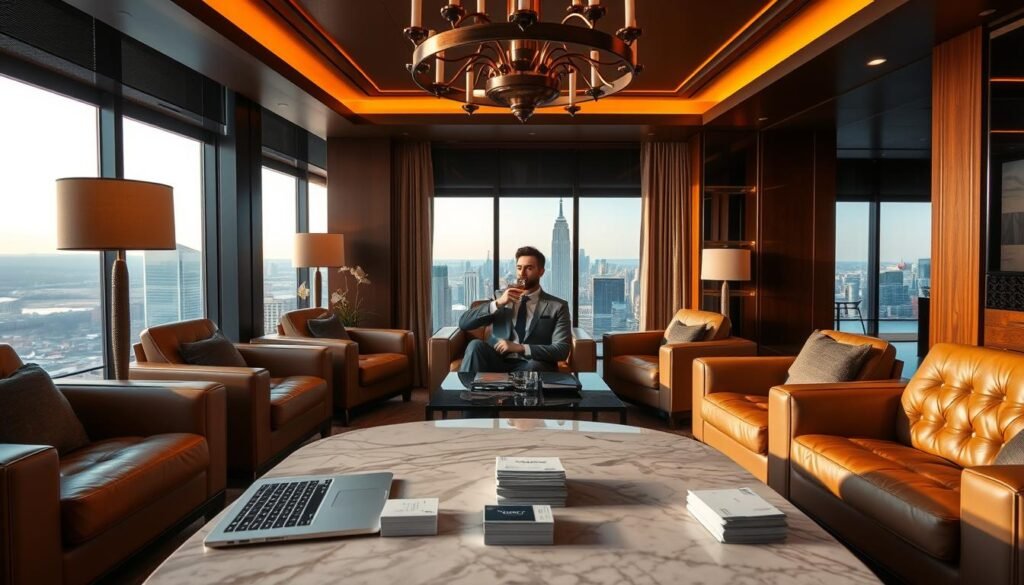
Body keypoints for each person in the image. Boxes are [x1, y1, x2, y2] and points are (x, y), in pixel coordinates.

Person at [458, 246, 571, 373]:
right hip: (496, 361)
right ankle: (469, 392)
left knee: (534, 367)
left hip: (531, 364)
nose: (522, 274)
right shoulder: (500, 297)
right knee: (475, 346)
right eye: (519, 268)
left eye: (529, 268)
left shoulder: (558, 306)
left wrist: (521, 348)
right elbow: (464, 323)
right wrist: (499, 303)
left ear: (541, 272)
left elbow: (561, 349)